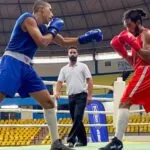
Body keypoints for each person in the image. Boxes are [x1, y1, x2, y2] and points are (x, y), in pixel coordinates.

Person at [0, 0, 103, 150]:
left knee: (49, 103)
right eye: (50, 10)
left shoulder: (43, 28)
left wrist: (85, 38)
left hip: (27, 67)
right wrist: (53, 29)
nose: (52, 14)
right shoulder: (27, 18)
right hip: (12, 61)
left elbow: (63, 41)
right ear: (41, 10)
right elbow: (42, 42)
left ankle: (56, 143)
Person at [99, 9, 150, 150]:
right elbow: (135, 63)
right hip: (142, 70)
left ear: (138, 22)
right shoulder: (137, 37)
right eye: (125, 26)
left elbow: (148, 58)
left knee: (124, 103)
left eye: (129, 25)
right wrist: (123, 52)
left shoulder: (146, 33)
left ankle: (117, 141)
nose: (127, 29)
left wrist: (134, 45)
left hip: (146, 71)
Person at [55, 47, 93, 147]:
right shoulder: (64, 69)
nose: (72, 54)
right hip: (71, 97)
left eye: (74, 52)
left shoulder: (83, 66)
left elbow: (90, 80)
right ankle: (83, 141)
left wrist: (89, 95)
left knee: (77, 117)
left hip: (81, 96)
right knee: (76, 119)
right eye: (71, 52)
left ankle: (70, 140)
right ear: (68, 55)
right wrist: (57, 92)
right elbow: (59, 82)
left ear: (77, 54)